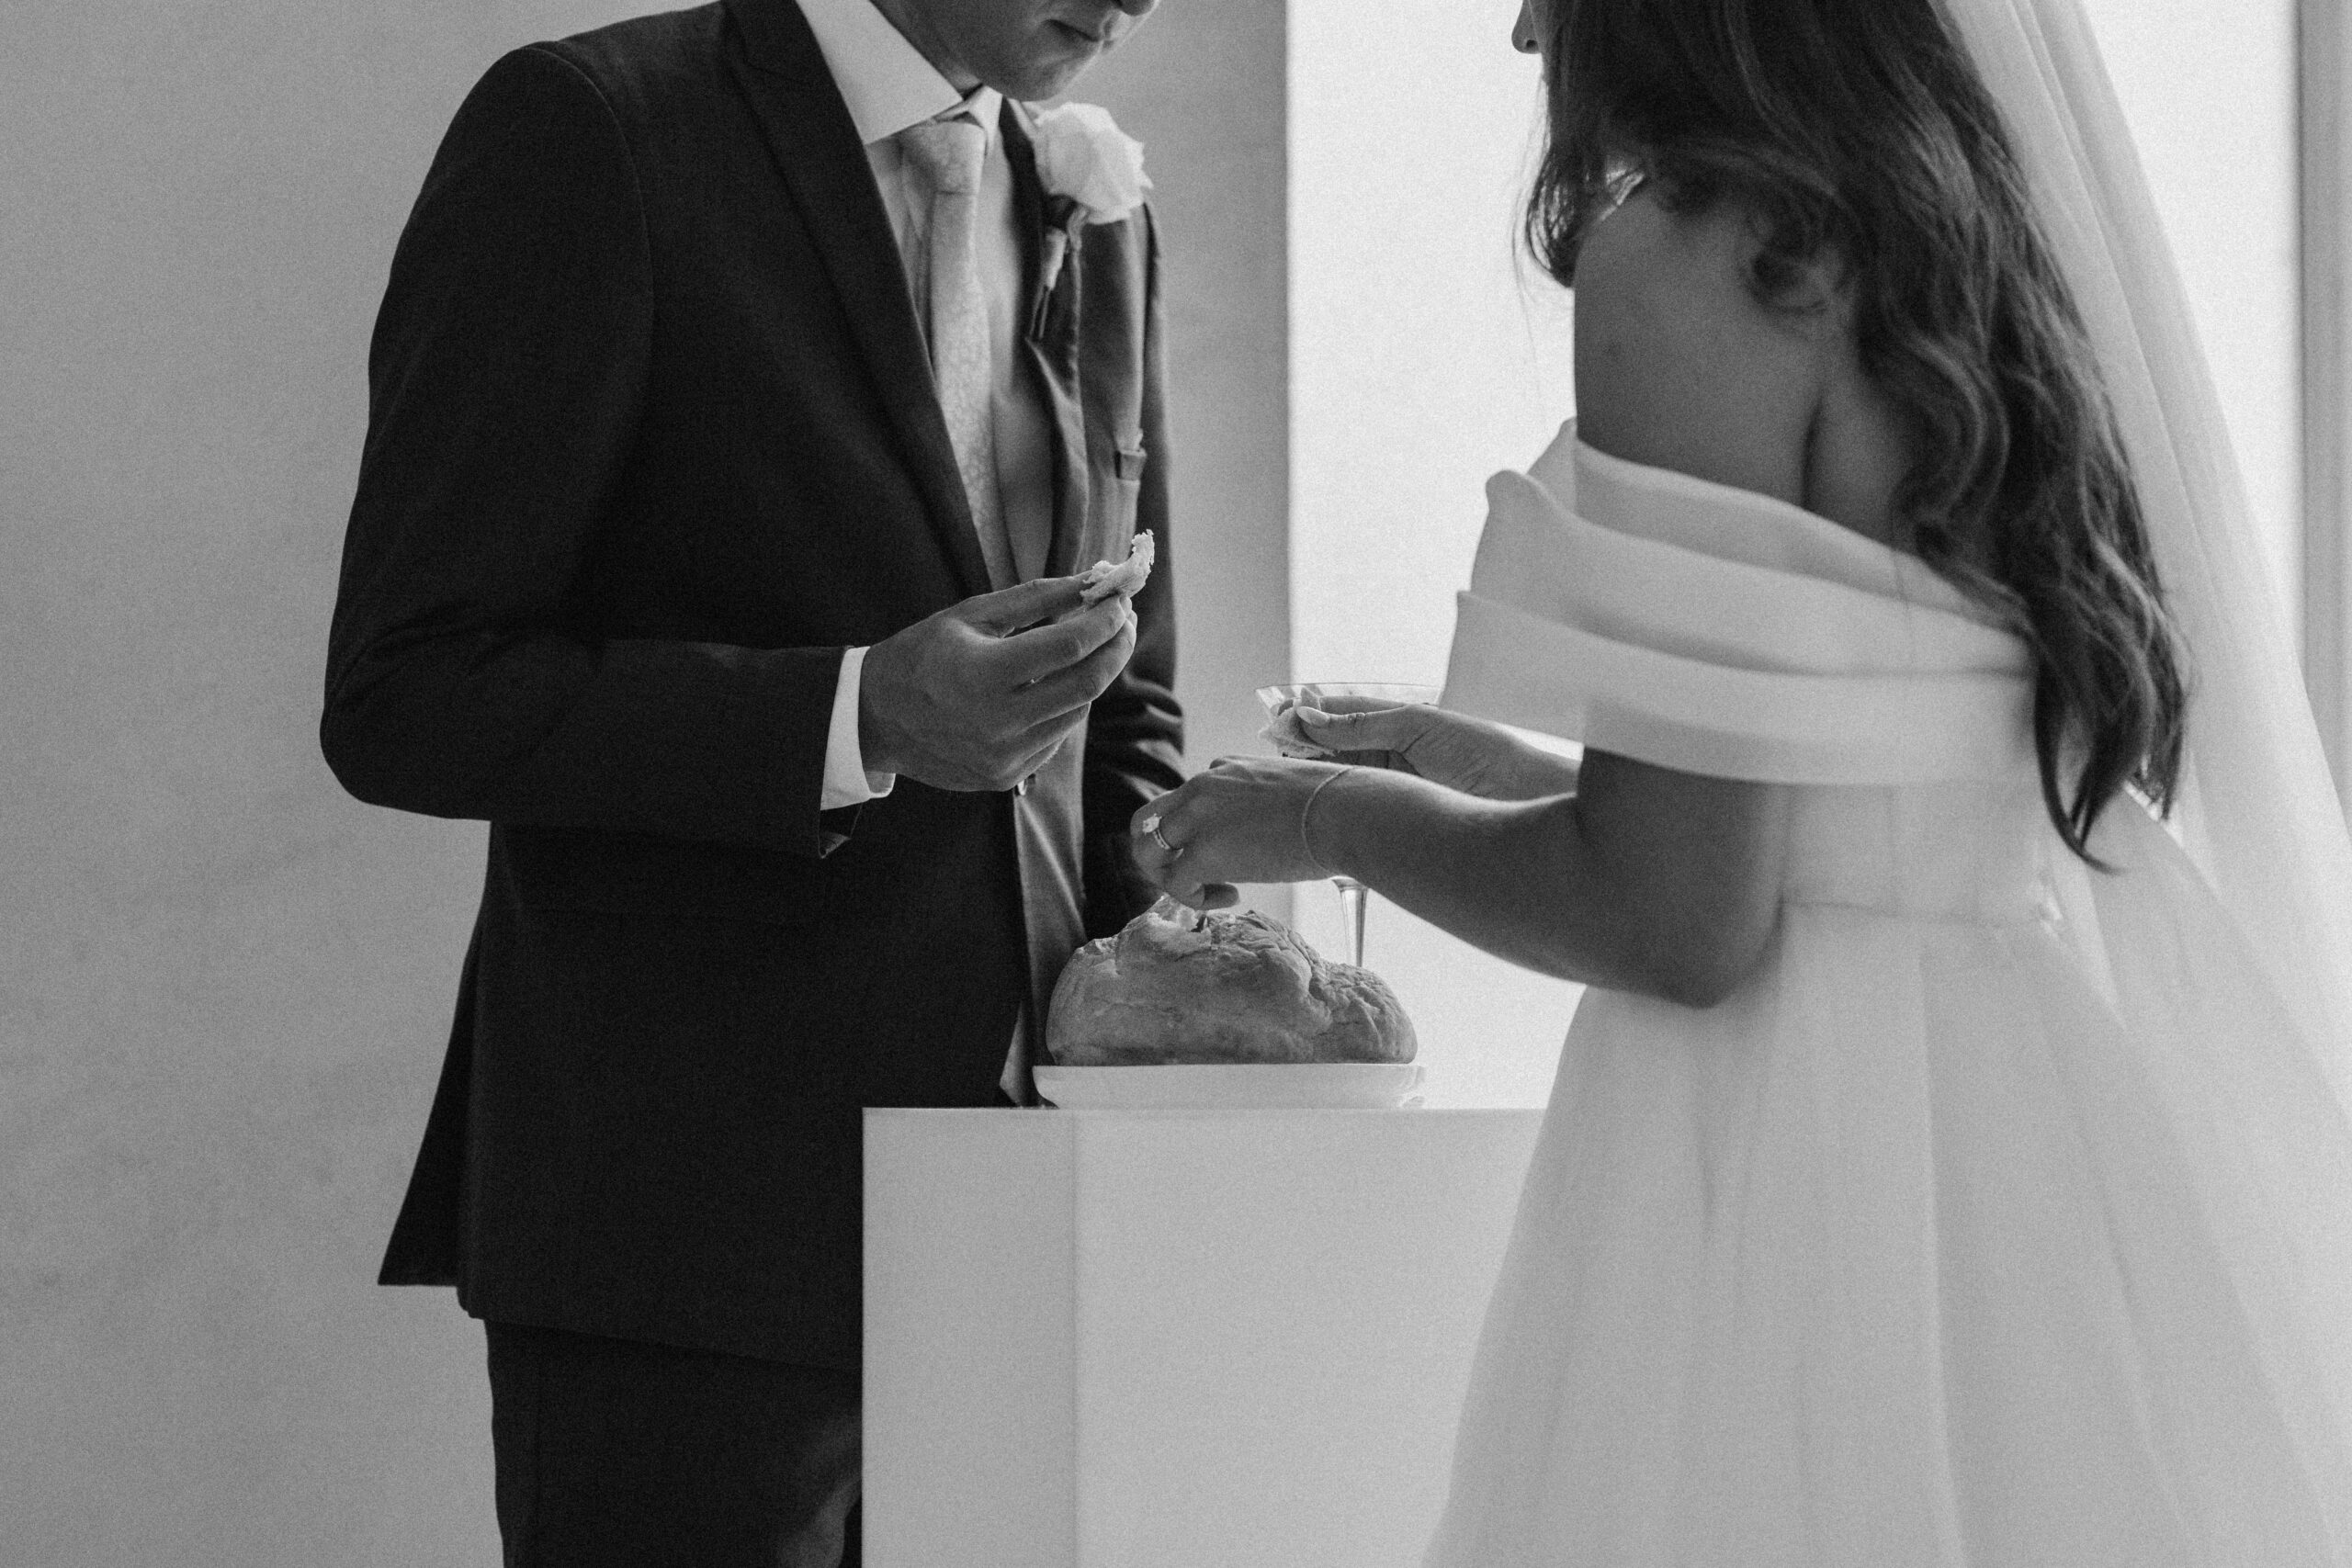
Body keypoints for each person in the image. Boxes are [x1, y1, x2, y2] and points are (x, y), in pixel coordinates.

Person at [1136, 0, 2352, 1559]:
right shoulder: (1969, 241)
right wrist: (1470, 765)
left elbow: (1679, 922)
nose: (1524, 31)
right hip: (2025, 1111)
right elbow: (1854, 801)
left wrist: (1323, 817)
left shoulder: (1704, 258)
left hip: (1800, 1149)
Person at [319, 0, 1180, 1559]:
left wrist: (1198, 972)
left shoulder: (1095, 197)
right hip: (688, 1236)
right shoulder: (595, 130)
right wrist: (856, 717)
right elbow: (408, 688)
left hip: (1042, 1248)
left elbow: (1130, 703)